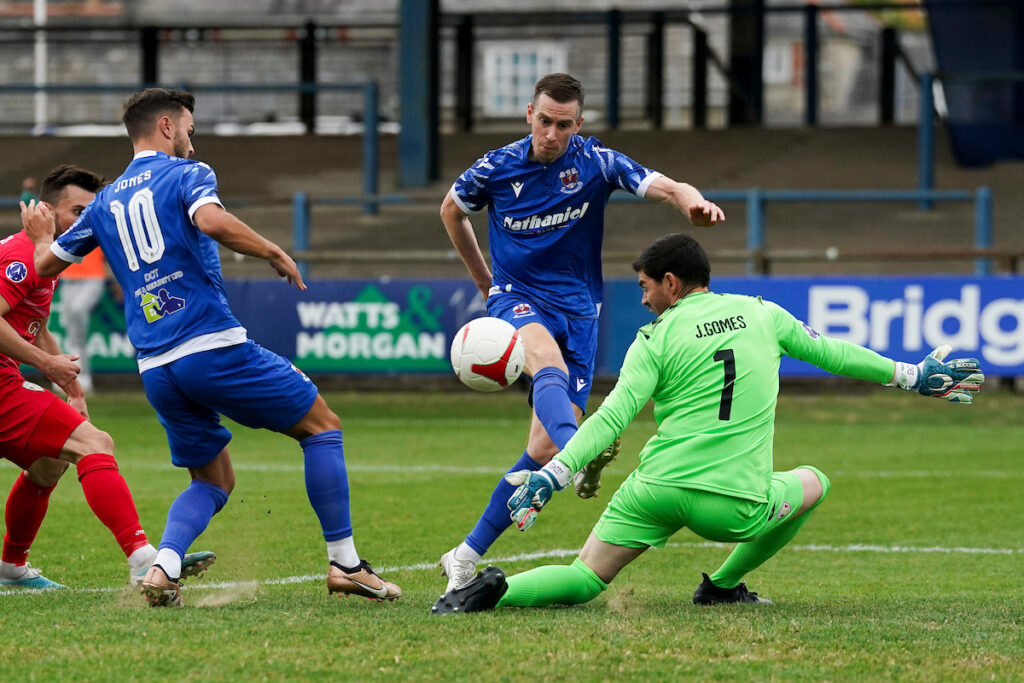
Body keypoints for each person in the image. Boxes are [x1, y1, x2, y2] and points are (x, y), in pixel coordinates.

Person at [431, 233, 985, 614]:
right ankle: (721, 586)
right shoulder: (764, 314)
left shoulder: (654, 339)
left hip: (655, 490)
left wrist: (552, 475)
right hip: (732, 505)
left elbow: (612, 416)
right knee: (815, 481)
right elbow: (835, 353)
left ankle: (483, 596)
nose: (643, 299)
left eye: (646, 287)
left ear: (672, 283)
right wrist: (912, 375)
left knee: (584, 577)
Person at [23, 88, 400, 607]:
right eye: (189, 130)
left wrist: (41, 235)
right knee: (322, 426)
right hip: (210, 346)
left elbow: (46, 265)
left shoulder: (105, 202)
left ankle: (163, 568)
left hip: (156, 368)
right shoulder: (186, 175)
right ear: (166, 126)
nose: (192, 143)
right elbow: (212, 221)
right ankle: (346, 564)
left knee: (213, 479)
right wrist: (273, 250)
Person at [436, 72, 725, 595]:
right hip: (518, 298)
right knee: (546, 367)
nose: (551, 134)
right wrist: (485, 282)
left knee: (543, 448)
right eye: (544, 121)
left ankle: (464, 554)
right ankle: (583, 452)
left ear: (578, 123)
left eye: (563, 125)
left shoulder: (594, 162)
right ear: (530, 114)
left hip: (580, 314)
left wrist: (692, 202)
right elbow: (451, 211)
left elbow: (665, 185)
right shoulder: (496, 167)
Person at [2, 165, 213, 590]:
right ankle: (143, 559)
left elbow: (33, 324)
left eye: (92, 212)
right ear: (47, 212)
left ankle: (11, 566)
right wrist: (47, 366)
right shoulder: (23, 256)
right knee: (94, 443)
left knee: (49, 464)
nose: (87, 222)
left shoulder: (46, 258)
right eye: (78, 212)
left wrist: (71, 385)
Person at [56, 219, 114, 395]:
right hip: (68, 279)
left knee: (77, 311)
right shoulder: (64, 222)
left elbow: (112, 252)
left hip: (93, 278)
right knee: (71, 330)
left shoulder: (96, 221)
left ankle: (83, 377)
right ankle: (71, 377)